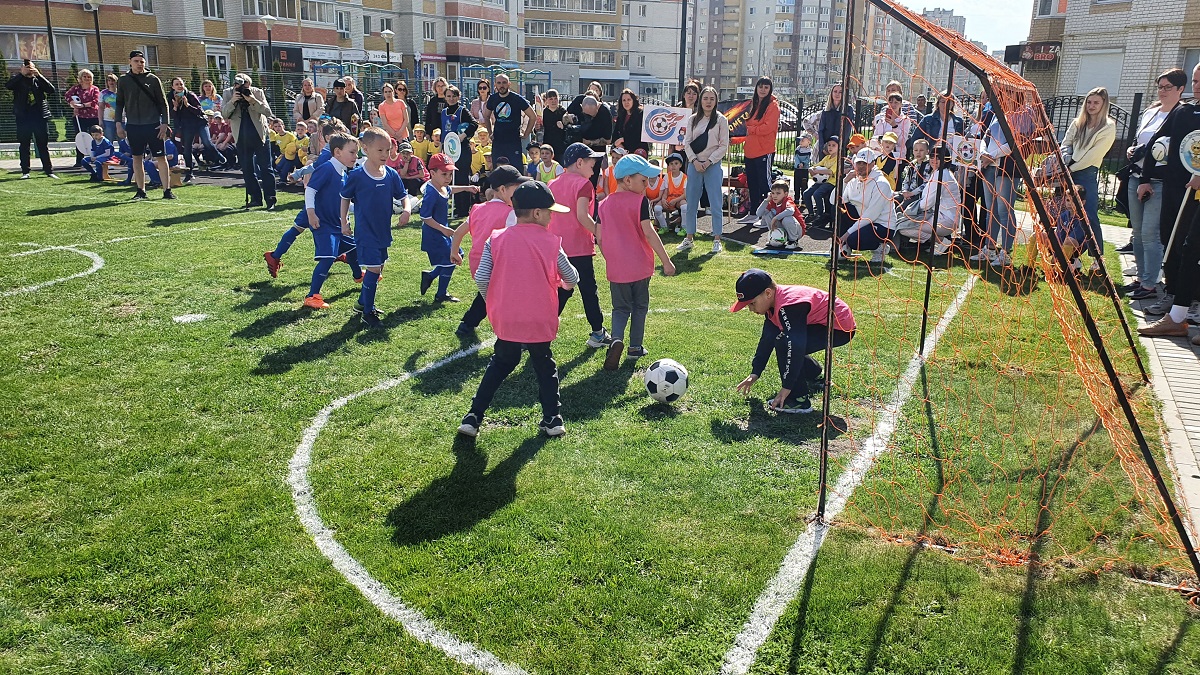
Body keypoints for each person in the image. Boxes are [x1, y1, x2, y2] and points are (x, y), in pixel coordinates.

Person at [457, 180, 579, 438]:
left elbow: (481, 277)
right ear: (537, 213)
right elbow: (571, 275)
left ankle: (474, 416)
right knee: (545, 366)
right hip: (539, 318)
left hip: (507, 318)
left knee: (500, 363)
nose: (551, 217)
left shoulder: (497, 239)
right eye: (549, 211)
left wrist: (493, 300)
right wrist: (566, 287)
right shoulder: (551, 242)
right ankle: (553, 419)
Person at [594, 153, 677, 369]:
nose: (647, 185)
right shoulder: (640, 201)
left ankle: (617, 339)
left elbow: (600, 238)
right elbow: (649, 233)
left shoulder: (603, 205)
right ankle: (635, 347)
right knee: (640, 307)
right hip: (640, 266)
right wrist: (666, 262)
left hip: (616, 269)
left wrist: (610, 258)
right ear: (628, 180)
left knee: (620, 309)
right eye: (644, 180)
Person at [732, 269, 856, 414]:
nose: (750, 309)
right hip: (826, 323)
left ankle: (799, 400)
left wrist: (787, 388)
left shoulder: (788, 307)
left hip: (839, 328)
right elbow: (767, 339)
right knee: (785, 339)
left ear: (768, 293)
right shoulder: (773, 304)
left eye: (752, 303)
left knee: (785, 343)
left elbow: (795, 346)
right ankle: (814, 375)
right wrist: (755, 373)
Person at [1138, 63, 1200, 340]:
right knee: (1184, 247)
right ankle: (1177, 313)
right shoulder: (1184, 111)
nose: (1197, 86)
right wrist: (1143, 175)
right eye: (1196, 81)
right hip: (1182, 190)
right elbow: (1157, 143)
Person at [338, 127, 410, 327]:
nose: (385, 155)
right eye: (380, 150)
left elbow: (404, 196)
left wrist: (407, 210)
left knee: (378, 269)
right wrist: (344, 221)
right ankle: (367, 313)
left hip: (383, 232)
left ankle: (362, 303)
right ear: (365, 149)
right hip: (365, 233)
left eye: (387, 150)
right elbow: (344, 197)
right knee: (373, 269)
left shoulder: (391, 175)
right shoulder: (357, 176)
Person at [1126, 68, 1186, 301]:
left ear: (1180, 89)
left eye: (1167, 87)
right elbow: (1142, 140)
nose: (1162, 91)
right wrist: (1132, 149)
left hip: (1159, 182)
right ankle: (1142, 277)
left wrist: (1149, 178)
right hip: (1136, 177)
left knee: (1151, 233)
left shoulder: (1181, 114)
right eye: (1160, 87)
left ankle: (1152, 282)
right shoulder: (1150, 113)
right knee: (1138, 232)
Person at [449, 165, 526, 338]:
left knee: (488, 295)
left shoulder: (478, 208)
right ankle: (514, 334)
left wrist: (454, 251)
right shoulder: (510, 214)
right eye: (517, 187)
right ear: (503, 189)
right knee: (507, 297)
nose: (520, 191)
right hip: (498, 265)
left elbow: (459, 232)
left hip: (478, 265)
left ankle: (467, 323)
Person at [549, 142, 611, 348]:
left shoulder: (552, 183)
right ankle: (597, 332)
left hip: (555, 247)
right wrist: (600, 234)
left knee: (560, 289)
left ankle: (541, 328)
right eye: (591, 163)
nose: (593, 168)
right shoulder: (584, 184)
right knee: (587, 290)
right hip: (578, 248)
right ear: (579, 162)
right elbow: (582, 216)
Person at [292, 132, 361, 309]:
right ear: (337, 152)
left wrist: (350, 217)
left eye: (357, 153)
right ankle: (312, 296)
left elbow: (342, 202)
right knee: (328, 258)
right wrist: (311, 214)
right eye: (352, 152)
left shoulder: (344, 174)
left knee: (353, 248)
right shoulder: (327, 168)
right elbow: (310, 190)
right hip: (323, 224)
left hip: (337, 224)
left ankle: (358, 275)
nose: (356, 156)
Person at [1061, 86, 1116, 264]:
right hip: (1069, 170)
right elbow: (1065, 143)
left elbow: (1094, 155)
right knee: (1067, 213)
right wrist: (1066, 158)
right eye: (1089, 102)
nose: (1091, 106)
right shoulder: (1077, 122)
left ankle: (1097, 258)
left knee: (1089, 215)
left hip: (1085, 172)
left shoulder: (1108, 127)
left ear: (1103, 104)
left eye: (1096, 103)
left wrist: (1071, 167)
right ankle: (1070, 255)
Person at [420, 153, 480, 302]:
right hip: (434, 234)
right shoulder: (431, 192)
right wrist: (442, 229)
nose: (448, 178)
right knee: (451, 259)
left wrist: (467, 188)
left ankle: (431, 277)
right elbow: (425, 217)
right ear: (432, 173)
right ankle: (440, 292)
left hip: (442, 232)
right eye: (444, 174)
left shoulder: (442, 187)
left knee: (456, 254)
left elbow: (451, 189)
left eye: (450, 174)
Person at [115, 51, 173, 200]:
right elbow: (119, 103)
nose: (139, 64)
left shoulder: (153, 79)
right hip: (133, 125)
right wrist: (118, 124)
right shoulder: (123, 80)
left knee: (161, 157)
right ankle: (141, 191)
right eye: (136, 61)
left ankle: (167, 190)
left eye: (142, 61)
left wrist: (164, 124)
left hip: (153, 125)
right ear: (130, 62)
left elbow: (163, 103)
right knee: (137, 157)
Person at [679, 86, 731, 254]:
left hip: (713, 165)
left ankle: (717, 238)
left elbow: (723, 145)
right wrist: (694, 160)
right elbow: (687, 142)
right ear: (700, 100)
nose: (708, 102)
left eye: (712, 99)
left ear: (716, 101)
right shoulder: (693, 119)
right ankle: (689, 237)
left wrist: (709, 161)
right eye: (705, 98)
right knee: (691, 202)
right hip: (694, 165)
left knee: (715, 203)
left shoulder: (721, 120)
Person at [222, 73, 277, 210]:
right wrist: (232, 101)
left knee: (266, 167)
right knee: (247, 169)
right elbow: (224, 114)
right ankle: (255, 198)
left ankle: (270, 199)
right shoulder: (228, 93)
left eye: (246, 85)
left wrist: (252, 100)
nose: (242, 88)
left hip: (259, 134)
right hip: (241, 135)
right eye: (239, 85)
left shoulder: (257, 92)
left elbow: (267, 111)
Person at [896, 142, 960, 255]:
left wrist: (911, 211)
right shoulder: (940, 172)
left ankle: (941, 241)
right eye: (932, 156)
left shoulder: (940, 174)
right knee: (905, 221)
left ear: (945, 159)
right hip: (943, 216)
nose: (934, 160)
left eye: (938, 157)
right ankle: (941, 242)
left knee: (902, 226)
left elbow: (927, 202)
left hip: (944, 219)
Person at [974, 110, 1018, 267]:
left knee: (1004, 210)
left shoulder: (1023, 115)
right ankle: (990, 248)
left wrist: (992, 156)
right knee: (991, 210)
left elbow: (1015, 142)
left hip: (1006, 169)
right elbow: (986, 137)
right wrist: (984, 152)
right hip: (989, 167)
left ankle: (1005, 253)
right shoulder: (995, 113)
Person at [838, 148, 897, 263]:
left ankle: (880, 247)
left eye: (864, 163)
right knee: (839, 209)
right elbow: (834, 201)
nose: (861, 166)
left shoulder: (881, 183)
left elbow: (872, 215)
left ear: (872, 164)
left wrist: (848, 233)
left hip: (882, 225)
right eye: (858, 163)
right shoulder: (853, 180)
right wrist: (845, 180)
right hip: (863, 220)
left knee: (853, 239)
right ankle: (844, 247)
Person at [6, 59, 57, 179]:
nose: (29, 70)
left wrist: (39, 75)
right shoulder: (18, 80)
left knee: (42, 144)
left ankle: (49, 170)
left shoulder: (38, 80)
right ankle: (25, 171)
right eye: (27, 68)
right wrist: (21, 74)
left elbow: (51, 90)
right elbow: (8, 86)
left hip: (39, 116)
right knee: (24, 144)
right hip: (23, 117)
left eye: (31, 68)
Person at [742, 77, 781, 221]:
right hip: (750, 151)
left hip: (764, 150)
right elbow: (744, 127)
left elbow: (767, 128)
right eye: (760, 87)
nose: (763, 90)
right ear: (756, 88)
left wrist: (751, 129)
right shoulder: (753, 104)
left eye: (766, 87)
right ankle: (753, 213)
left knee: (765, 184)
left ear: (770, 89)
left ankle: (770, 215)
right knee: (752, 184)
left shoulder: (773, 106)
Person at [438, 85, 480, 218]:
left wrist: (463, 136)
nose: (451, 98)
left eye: (454, 96)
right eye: (448, 96)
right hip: (449, 150)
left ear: (458, 97)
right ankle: (456, 207)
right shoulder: (444, 112)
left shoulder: (462, 111)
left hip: (462, 150)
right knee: (452, 179)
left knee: (462, 178)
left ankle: (464, 209)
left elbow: (474, 124)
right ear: (445, 97)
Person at [482, 74, 536, 170]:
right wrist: (490, 133)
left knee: (516, 170)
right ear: (495, 85)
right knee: (498, 171)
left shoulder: (517, 99)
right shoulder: (493, 99)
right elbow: (486, 116)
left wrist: (526, 134)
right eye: (499, 83)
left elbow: (533, 116)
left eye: (504, 82)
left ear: (509, 84)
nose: (501, 85)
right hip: (498, 140)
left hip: (513, 141)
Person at [168, 77, 207, 184]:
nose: (179, 86)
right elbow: (171, 115)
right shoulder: (170, 96)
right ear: (173, 87)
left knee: (187, 149)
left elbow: (199, 111)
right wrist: (175, 107)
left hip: (191, 125)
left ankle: (189, 173)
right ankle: (192, 165)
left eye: (181, 84)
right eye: (177, 84)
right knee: (179, 148)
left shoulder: (190, 95)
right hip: (179, 126)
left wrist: (187, 105)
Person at [803, 137, 841, 229]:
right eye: (829, 145)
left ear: (839, 147)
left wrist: (818, 170)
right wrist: (811, 169)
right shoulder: (827, 158)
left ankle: (820, 215)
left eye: (833, 145)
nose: (830, 147)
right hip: (821, 182)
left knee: (817, 194)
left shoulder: (838, 159)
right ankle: (811, 214)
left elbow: (831, 172)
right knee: (806, 193)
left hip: (831, 183)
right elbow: (815, 166)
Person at [755, 179, 805, 250]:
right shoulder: (772, 202)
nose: (775, 196)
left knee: (787, 219)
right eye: (773, 193)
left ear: (785, 194)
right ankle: (774, 237)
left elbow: (790, 211)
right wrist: (766, 200)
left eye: (778, 193)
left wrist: (775, 218)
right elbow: (758, 213)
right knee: (767, 214)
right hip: (784, 228)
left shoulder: (788, 201)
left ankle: (793, 241)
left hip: (797, 231)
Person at [66, 69, 101, 169]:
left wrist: (82, 105)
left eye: (89, 77)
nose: (87, 78)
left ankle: (96, 158)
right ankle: (79, 160)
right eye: (85, 76)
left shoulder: (95, 89)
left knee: (96, 137)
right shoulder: (76, 88)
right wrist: (73, 104)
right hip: (80, 117)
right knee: (80, 138)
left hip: (93, 116)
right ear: (80, 78)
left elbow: (95, 101)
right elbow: (67, 96)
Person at [653, 152, 688, 234]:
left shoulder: (684, 177)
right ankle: (664, 226)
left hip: (679, 199)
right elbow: (665, 191)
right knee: (657, 208)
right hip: (669, 198)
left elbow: (685, 195)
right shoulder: (667, 176)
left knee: (685, 207)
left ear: (680, 165)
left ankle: (684, 227)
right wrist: (663, 199)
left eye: (676, 163)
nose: (673, 166)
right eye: (671, 164)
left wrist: (675, 200)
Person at [817, 82, 853, 159]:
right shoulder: (826, 110)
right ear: (831, 93)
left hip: (840, 147)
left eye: (840, 92)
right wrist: (823, 147)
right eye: (835, 91)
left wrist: (840, 146)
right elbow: (821, 130)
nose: (837, 94)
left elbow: (847, 130)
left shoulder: (848, 109)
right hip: (826, 148)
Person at [613, 88, 648, 156]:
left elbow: (638, 134)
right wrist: (618, 143)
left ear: (633, 100)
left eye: (629, 100)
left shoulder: (641, 114)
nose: (626, 102)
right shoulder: (621, 116)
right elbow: (615, 133)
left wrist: (623, 140)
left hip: (638, 151)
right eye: (624, 100)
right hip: (623, 152)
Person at [270, 118, 301, 186]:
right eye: (275, 126)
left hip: (291, 155)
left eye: (279, 126)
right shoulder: (276, 137)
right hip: (282, 155)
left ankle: (282, 178)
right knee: (281, 162)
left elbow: (294, 146)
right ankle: (282, 178)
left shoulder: (290, 135)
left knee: (286, 162)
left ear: (283, 126)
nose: (277, 128)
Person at [541, 89, 568, 161]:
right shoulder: (543, 112)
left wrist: (563, 126)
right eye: (551, 99)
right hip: (547, 144)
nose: (553, 101)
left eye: (555, 98)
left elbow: (568, 127)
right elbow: (539, 129)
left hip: (560, 145)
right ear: (546, 100)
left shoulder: (563, 111)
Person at [99, 73, 120, 141]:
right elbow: (101, 107)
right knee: (108, 141)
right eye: (109, 80)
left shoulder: (121, 92)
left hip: (121, 120)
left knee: (123, 142)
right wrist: (100, 121)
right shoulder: (103, 93)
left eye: (113, 80)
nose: (111, 82)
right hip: (108, 120)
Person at [793, 131, 814, 195]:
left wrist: (803, 163)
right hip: (797, 169)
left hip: (804, 170)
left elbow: (808, 159)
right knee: (796, 184)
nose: (800, 142)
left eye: (803, 140)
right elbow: (796, 157)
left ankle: (803, 198)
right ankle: (796, 197)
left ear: (809, 142)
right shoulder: (798, 149)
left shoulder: (809, 150)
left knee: (804, 184)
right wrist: (798, 164)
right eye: (800, 140)